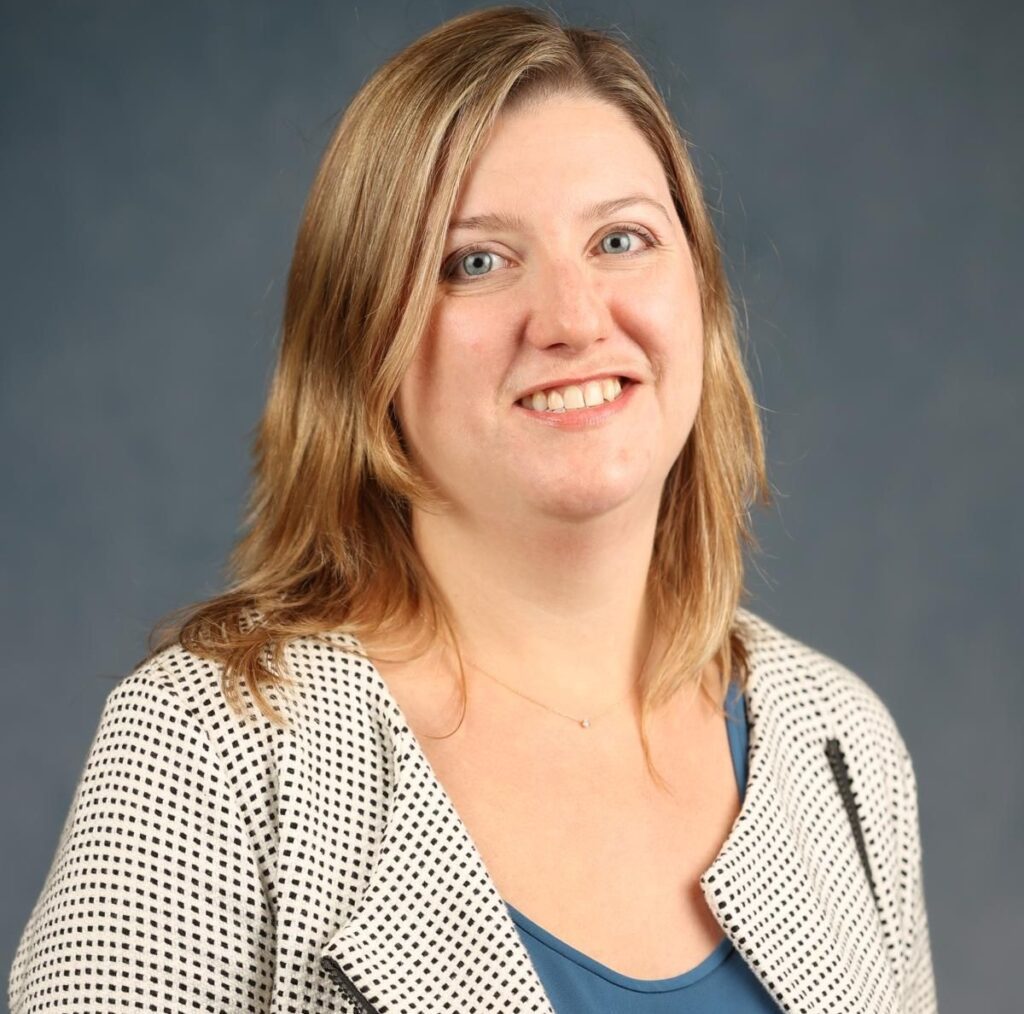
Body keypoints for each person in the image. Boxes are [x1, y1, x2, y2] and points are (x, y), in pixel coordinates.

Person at [8, 5, 937, 1013]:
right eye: (476, 262)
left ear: (702, 300)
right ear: (365, 344)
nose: (575, 320)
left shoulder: (839, 744)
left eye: (621, 239)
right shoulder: (212, 747)